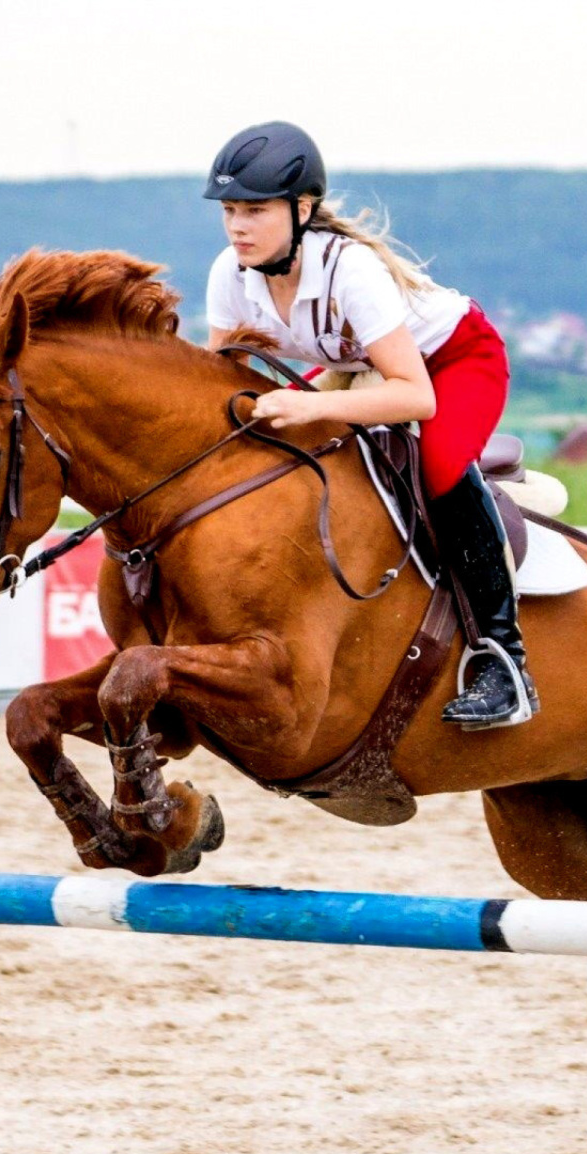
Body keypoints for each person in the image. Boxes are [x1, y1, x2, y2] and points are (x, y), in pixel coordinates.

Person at [202, 120, 537, 729]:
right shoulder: (230, 273)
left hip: (450, 365)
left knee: (436, 468)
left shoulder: (348, 270)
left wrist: (310, 404)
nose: (237, 227)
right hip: (358, 371)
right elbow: (222, 381)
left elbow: (415, 397)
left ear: (303, 208)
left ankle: (504, 662)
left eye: (254, 210)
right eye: (229, 211)